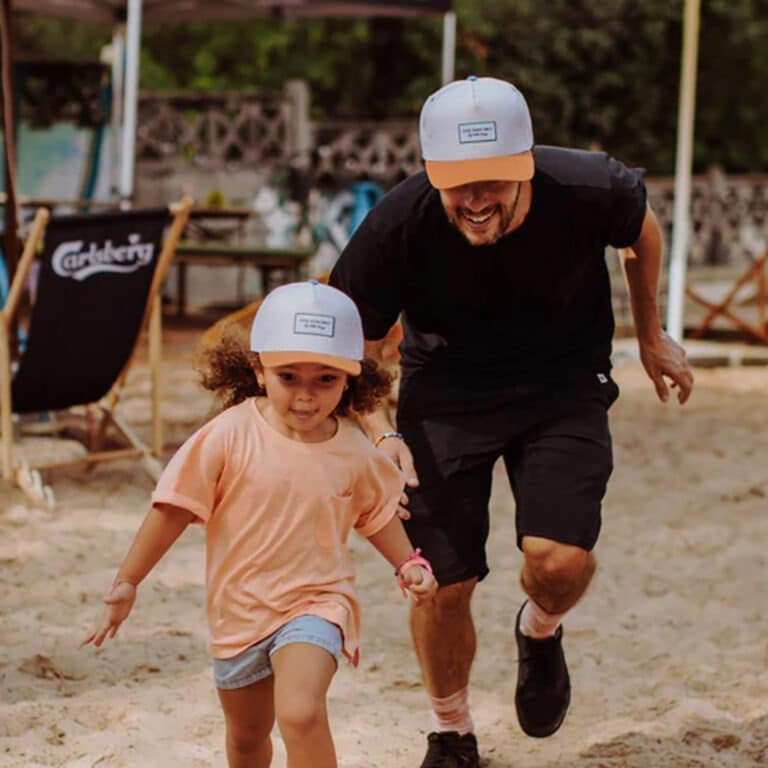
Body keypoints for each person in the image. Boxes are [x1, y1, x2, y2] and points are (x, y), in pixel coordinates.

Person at [329, 76, 694, 767]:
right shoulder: (398, 226)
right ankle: (452, 731)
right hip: (445, 393)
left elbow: (641, 231)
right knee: (441, 580)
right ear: (433, 173)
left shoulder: (589, 188)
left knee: (559, 562)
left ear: (524, 162)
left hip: (563, 385)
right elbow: (355, 351)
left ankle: (540, 630)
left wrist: (651, 335)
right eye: (458, 183)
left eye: (493, 180)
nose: (475, 200)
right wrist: (385, 436)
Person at [82, 279, 438, 768]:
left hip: (318, 604)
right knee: (248, 738)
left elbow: (375, 514)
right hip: (239, 614)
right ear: (258, 369)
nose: (306, 397)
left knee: (300, 712)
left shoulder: (355, 449)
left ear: (351, 379)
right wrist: (128, 581)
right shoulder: (228, 436)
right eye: (289, 377)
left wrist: (407, 563)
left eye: (326, 380)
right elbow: (171, 508)